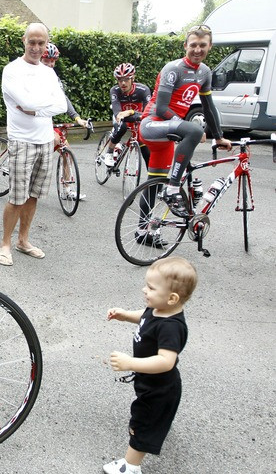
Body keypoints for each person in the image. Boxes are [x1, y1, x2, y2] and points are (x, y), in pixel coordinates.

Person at [105, 256, 198, 474]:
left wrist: (130, 363)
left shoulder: (171, 327)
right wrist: (126, 315)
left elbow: (166, 361)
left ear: (172, 298)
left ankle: (130, 466)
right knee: (153, 419)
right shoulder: (159, 309)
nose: (144, 290)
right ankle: (160, 425)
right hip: (151, 383)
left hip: (160, 389)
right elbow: (146, 317)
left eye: (151, 287)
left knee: (142, 424)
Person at [139, 25, 232, 220]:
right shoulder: (173, 69)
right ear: (185, 46)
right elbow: (162, 108)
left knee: (153, 182)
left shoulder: (205, 72)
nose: (198, 50)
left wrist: (219, 136)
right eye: (193, 45)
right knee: (195, 130)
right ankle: (172, 189)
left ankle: (142, 230)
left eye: (203, 45)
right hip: (152, 125)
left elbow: (208, 107)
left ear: (210, 46)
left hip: (167, 137)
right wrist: (187, 128)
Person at [0, 23, 67, 266]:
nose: (36, 48)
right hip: (22, 141)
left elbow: (61, 105)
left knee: (34, 195)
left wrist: (35, 111)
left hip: (45, 140)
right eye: (32, 42)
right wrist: (42, 104)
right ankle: (5, 243)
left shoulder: (49, 73)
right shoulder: (12, 70)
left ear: (46, 43)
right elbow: (24, 100)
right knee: (17, 197)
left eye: (41, 43)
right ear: (23, 41)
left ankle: (23, 241)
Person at [40, 42, 87, 200]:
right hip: (29, 122)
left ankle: (67, 190)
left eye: (53, 61)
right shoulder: (32, 75)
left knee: (67, 152)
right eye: (47, 60)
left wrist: (77, 117)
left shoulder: (53, 77)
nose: (51, 64)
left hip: (45, 121)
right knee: (53, 140)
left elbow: (63, 99)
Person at [103, 63, 151, 169]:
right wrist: (127, 114)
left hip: (137, 118)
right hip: (122, 120)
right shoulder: (115, 90)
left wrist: (130, 112)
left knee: (146, 151)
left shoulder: (143, 90)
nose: (123, 83)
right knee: (122, 126)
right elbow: (118, 114)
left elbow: (148, 113)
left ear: (133, 78)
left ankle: (152, 181)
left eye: (126, 79)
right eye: (120, 80)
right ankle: (109, 152)